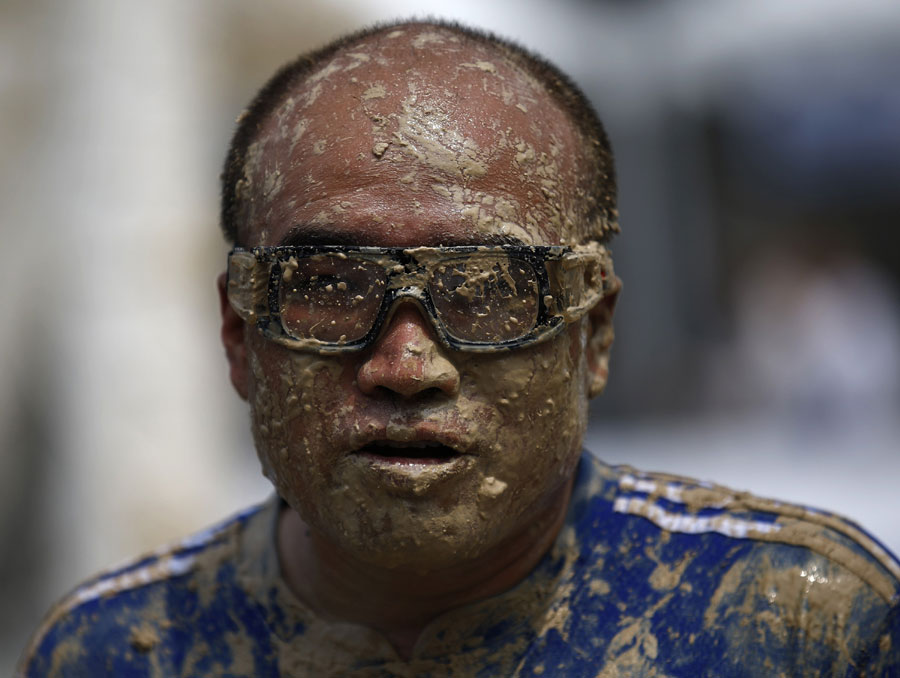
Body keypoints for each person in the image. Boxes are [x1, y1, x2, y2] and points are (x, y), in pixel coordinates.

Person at [18, 19, 900, 677]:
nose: (406, 367)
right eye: (330, 287)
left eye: (488, 292)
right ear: (238, 338)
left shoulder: (796, 627)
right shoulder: (118, 652)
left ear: (592, 336)